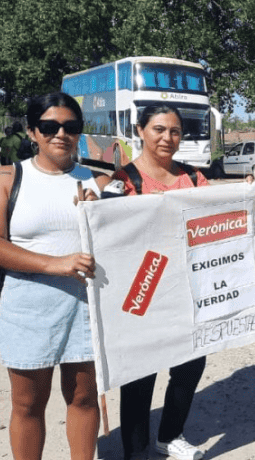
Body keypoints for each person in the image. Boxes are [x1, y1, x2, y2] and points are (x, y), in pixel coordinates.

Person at [0, 92, 110, 459]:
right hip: (28, 306)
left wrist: (104, 215)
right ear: (32, 131)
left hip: (84, 306)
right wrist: (54, 263)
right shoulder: (9, 178)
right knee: (28, 403)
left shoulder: (98, 183)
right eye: (49, 126)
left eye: (71, 126)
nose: (60, 134)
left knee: (83, 396)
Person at [112, 104, 209, 460]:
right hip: (142, 293)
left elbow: (216, 214)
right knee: (139, 377)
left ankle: (171, 436)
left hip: (186, 290)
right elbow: (107, 238)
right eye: (159, 129)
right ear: (140, 131)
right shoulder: (123, 181)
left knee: (190, 366)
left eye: (175, 131)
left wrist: (245, 191)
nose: (168, 138)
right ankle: (136, 452)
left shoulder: (195, 178)